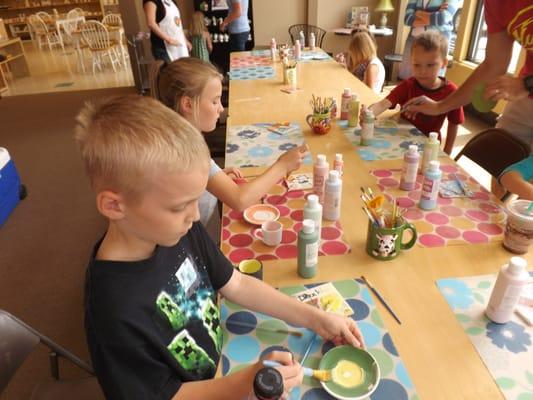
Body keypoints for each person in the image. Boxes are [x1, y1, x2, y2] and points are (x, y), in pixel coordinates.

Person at [76, 95, 364, 399]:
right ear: (114, 205)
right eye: (179, 206)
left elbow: (235, 283)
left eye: (195, 199)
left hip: (218, 366)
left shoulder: (174, 230)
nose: (196, 215)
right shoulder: (112, 309)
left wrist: (315, 318)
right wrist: (241, 385)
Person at [152, 57, 307, 240]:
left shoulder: (177, 136)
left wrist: (216, 178)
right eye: (215, 101)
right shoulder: (186, 150)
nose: (221, 109)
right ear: (188, 104)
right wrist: (283, 165)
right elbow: (240, 199)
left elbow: (192, 181)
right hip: (197, 242)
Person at [404, 0, 533, 150]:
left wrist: (527, 84)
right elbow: (494, 65)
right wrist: (440, 107)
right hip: (526, 93)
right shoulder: (495, 4)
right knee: (501, 156)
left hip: (527, 85)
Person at [362, 30, 464, 155]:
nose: (422, 71)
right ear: (410, 61)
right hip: (399, 141)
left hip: (428, 147)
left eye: (430, 65)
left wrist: (447, 152)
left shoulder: (452, 92)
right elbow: (383, 104)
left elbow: (454, 123)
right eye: (417, 65)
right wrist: (369, 114)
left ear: (444, 63)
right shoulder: (408, 85)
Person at [398, 0, 459, 80]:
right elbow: (408, 19)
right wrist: (433, 16)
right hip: (414, 40)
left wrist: (418, 13)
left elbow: (442, 18)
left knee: (432, 79)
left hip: (438, 42)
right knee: (406, 78)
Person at [335, 30, 386, 94]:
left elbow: (369, 93)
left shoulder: (372, 67)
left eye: (355, 54)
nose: (354, 57)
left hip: (370, 100)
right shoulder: (370, 61)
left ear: (362, 52)